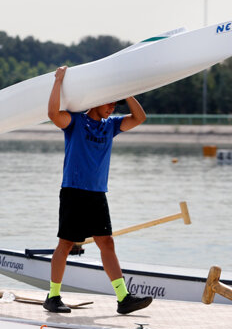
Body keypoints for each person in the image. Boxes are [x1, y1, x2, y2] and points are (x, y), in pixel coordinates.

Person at [45, 66, 153, 315]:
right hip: (73, 190)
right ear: (94, 102)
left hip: (97, 193)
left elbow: (139, 118)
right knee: (66, 243)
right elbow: (52, 113)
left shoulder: (110, 126)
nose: (112, 107)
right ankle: (52, 296)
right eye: (109, 103)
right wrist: (58, 81)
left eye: (115, 103)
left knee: (108, 243)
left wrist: (127, 93)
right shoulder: (76, 121)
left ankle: (123, 298)